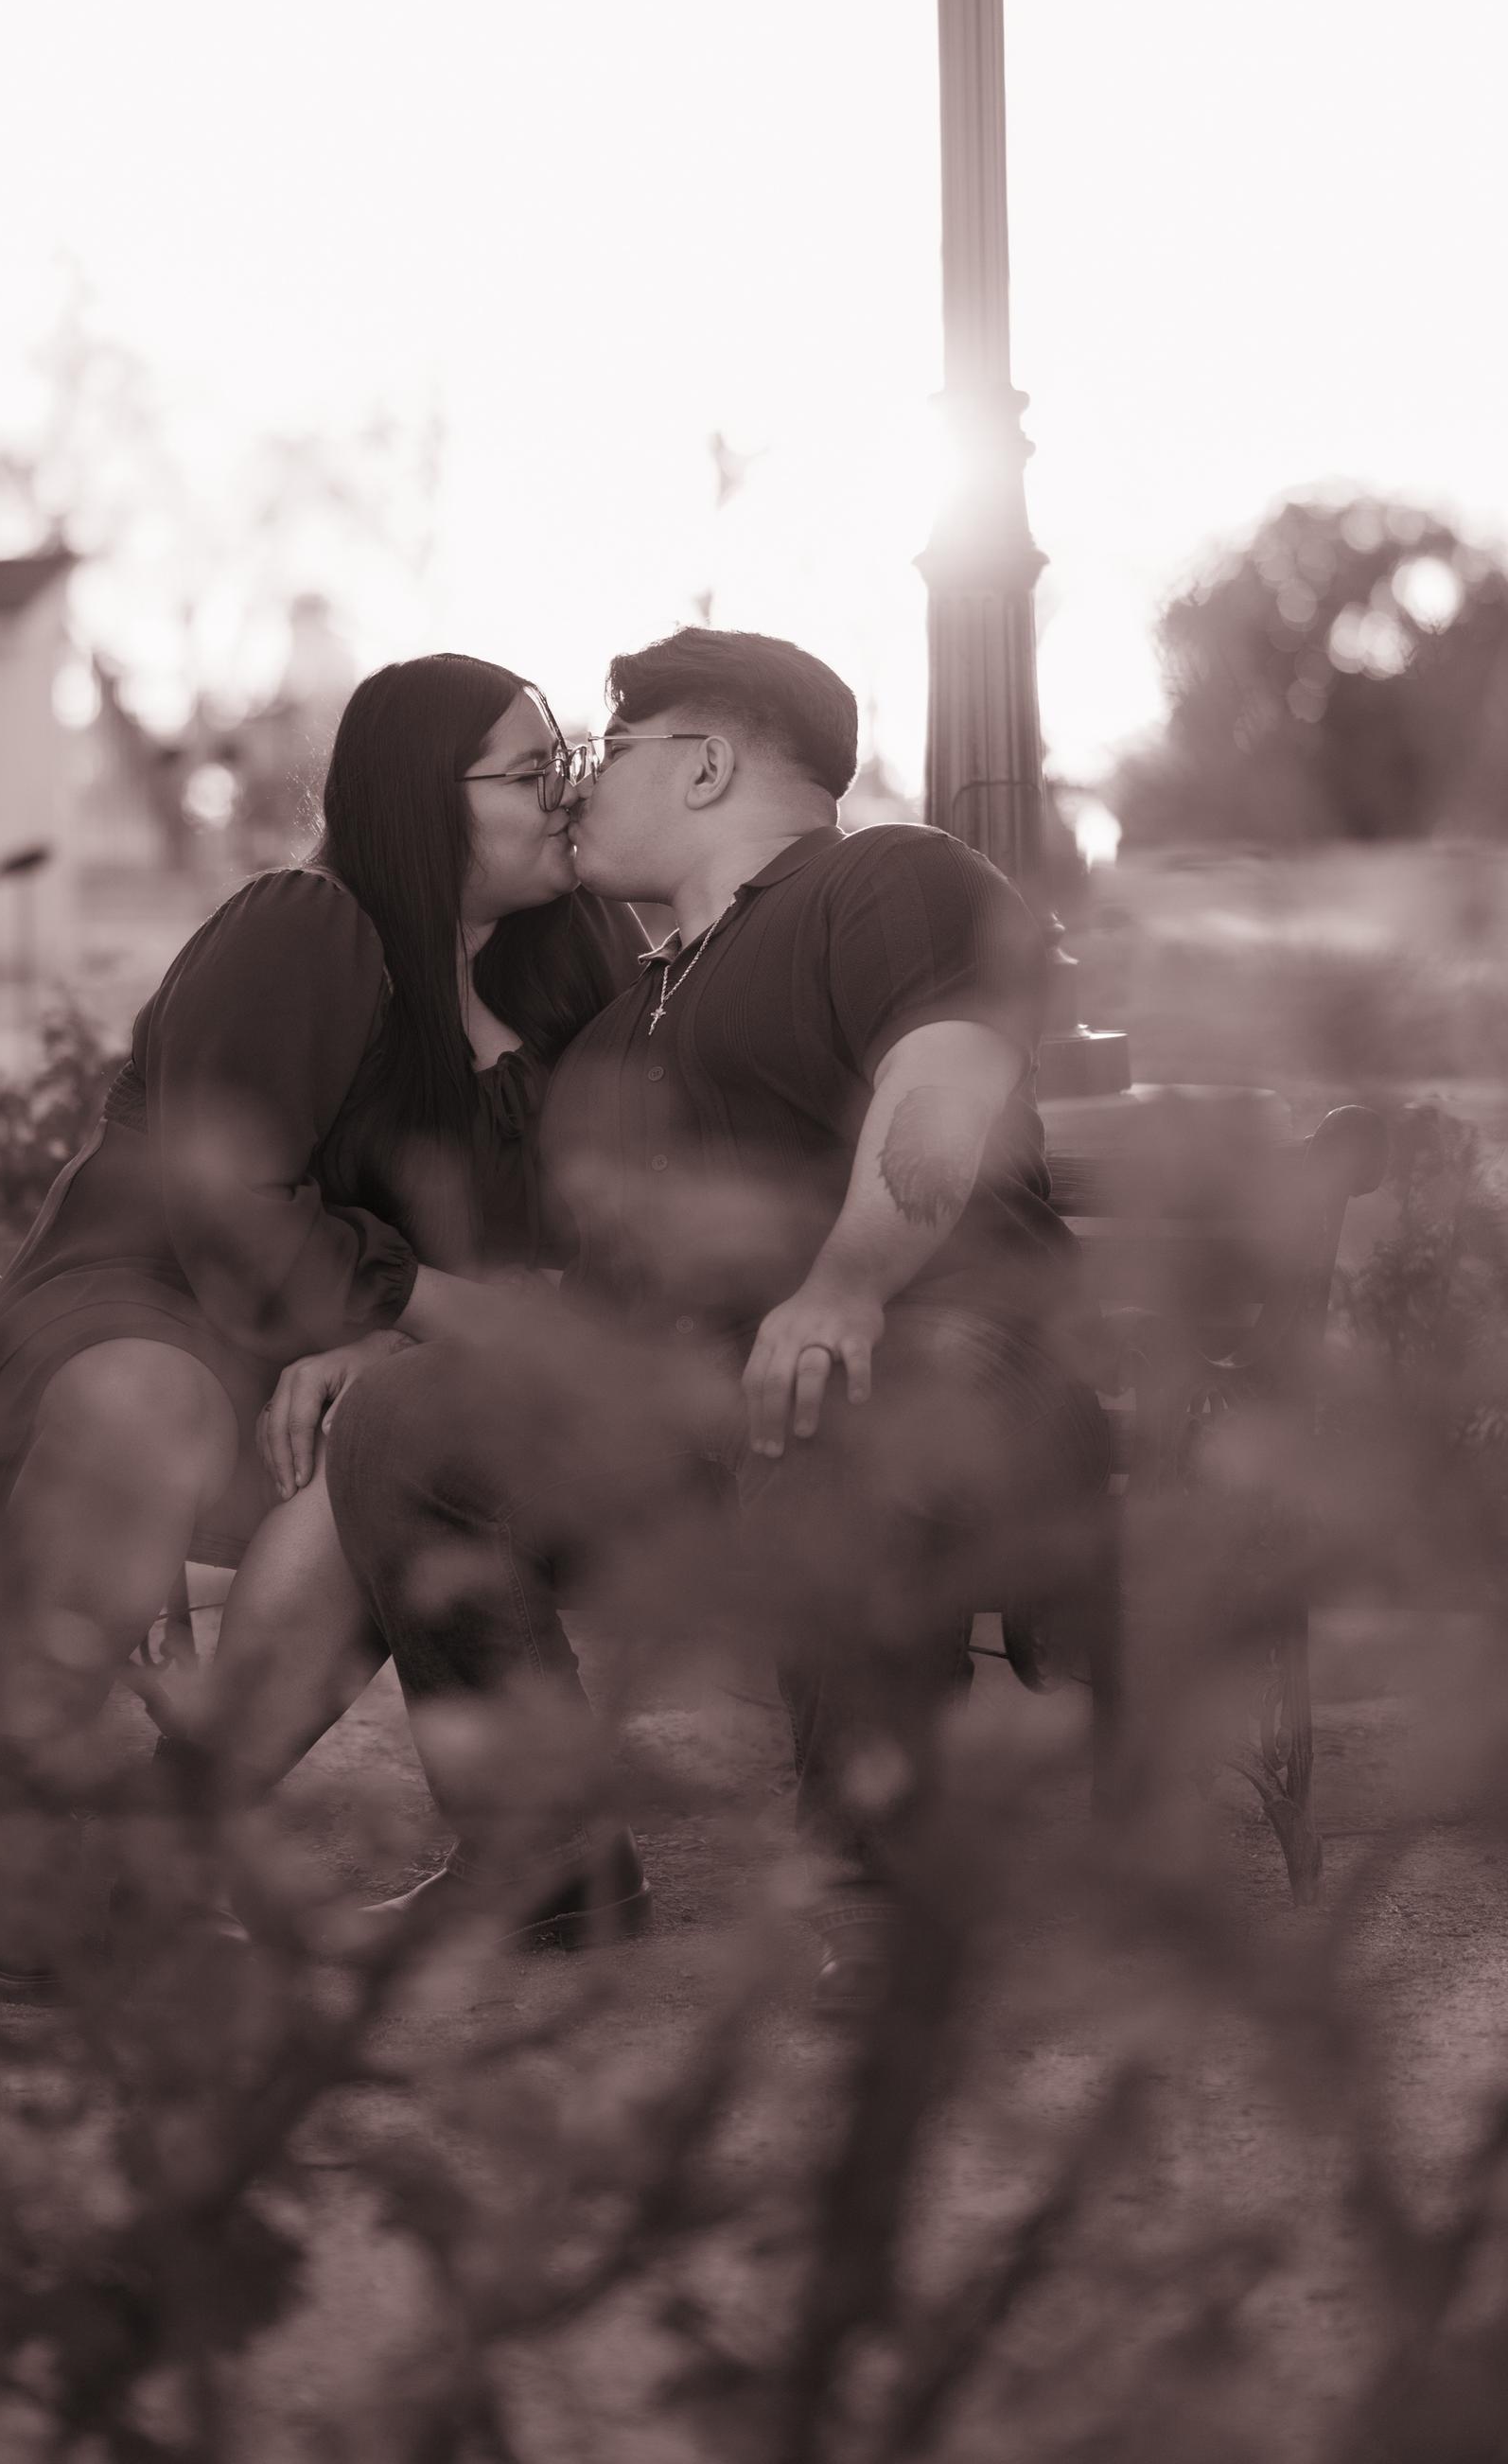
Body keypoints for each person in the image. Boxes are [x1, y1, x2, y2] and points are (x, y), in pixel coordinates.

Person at [324, 625, 1111, 2007]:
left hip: (945, 1365)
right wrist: (388, 1336)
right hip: (704, 1423)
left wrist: (844, 1284)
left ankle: (877, 1879)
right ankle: (546, 1859)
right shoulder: (623, 1029)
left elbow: (946, 1091)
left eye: (599, 756)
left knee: (828, 1390)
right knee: (407, 1421)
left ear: (702, 764)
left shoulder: (883, 879)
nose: (571, 790)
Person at [0, 652, 628, 1996]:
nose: (566, 797)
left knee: (375, 1467)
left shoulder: (576, 970)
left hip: (329, 1363)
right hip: (143, 1313)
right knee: (151, 1407)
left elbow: (575, 1256)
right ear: (415, 802)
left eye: (568, 765)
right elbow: (231, 1208)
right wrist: (417, 1314)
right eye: (528, 771)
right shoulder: (310, 926)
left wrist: (395, 1342)